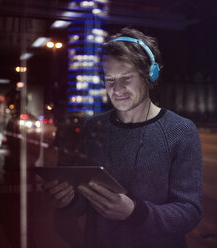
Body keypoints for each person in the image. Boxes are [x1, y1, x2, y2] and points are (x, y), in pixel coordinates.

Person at [43, 27, 203, 248]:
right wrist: (68, 200)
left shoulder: (181, 131)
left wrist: (135, 213)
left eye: (126, 78)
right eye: (109, 79)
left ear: (150, 75)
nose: (116, 89)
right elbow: (85, 201)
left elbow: (189, 212)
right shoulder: (94, 127)